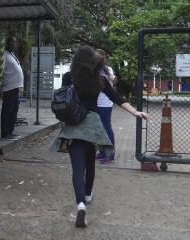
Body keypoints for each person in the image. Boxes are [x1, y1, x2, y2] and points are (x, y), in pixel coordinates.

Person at [51, 47, 148, 228]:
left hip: (73, 126)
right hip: (92, 127)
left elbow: (62, 98)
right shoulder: (100, 79)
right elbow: (117, 97)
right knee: (90, 164)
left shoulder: (68, 77)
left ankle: (80, 204)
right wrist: (135, 112)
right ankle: (88, 195)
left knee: (77, 169)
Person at [95, 49, 117, 164]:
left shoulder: (107, 69)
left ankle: (110, 154)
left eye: (99, 56)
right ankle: (102, 152)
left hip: (105, 103)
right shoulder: (94, 68)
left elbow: (114, 81)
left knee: (106, 128)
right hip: (96, 103)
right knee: (99, 129)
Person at [1, 36, 24, 140]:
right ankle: (5, 133)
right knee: (8, 111)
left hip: (16, 87)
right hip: (9, 87)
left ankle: (10, 131)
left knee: (14, 111)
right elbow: (0, 71)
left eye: (14, 42)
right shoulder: (4, 55)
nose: (13, 44)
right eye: (11, 42)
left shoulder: (12, 54)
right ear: (7, 43)